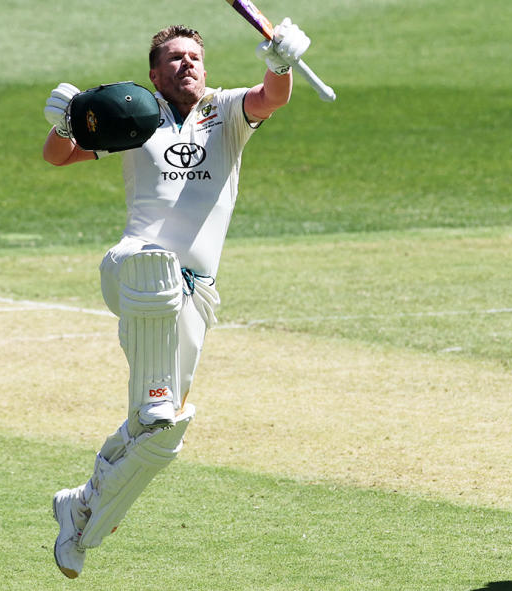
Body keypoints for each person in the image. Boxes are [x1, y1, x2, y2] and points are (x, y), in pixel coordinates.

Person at [41, 19, 311, 579]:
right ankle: (153, 395)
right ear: (153, 73)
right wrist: (66, 121)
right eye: (172, 59)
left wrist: (281, 61)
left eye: (193, 56)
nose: (185, 64)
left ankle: (84, 511)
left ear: (205, 67)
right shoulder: (135, 114)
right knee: (153, 267)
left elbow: (271, 98)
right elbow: (59, 156)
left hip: (197, 291)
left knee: (162, 429)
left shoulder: (228, 111)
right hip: (134, 273)